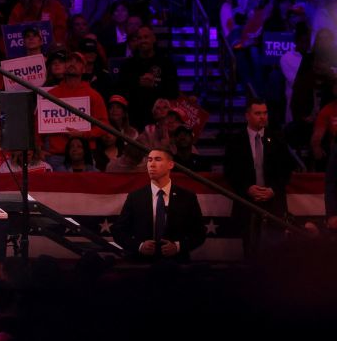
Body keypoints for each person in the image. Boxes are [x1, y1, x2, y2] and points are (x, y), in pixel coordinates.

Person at [110, 148, 207, 262]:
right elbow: (118, 231)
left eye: (158, 159)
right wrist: (139, 246)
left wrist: (178, 246)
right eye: (149, 160)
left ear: (170, 165)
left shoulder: (187, 197)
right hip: (142, 264)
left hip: (176, 264)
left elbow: (199, 233)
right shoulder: (135, 197)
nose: (151, 164)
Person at [223, 98, 293, 253]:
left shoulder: (278, 139)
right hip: (247, 202)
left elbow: (286, 170)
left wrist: (273, 189)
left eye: (265, 113)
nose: (263, 117)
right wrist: (247, 188)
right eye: (258, 113)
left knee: (275, 250)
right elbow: (230, 171)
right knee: (250, 249)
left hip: (273, 202)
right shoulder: (235, 141)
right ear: (247, 115)